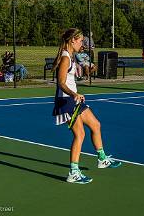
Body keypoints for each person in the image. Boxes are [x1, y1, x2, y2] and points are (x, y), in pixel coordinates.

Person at [52, 28, 121, 184]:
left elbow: (75, 75)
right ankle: (73, 173)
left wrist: (87, 68)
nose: (83, 43)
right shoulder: (65, 58)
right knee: (80, 134)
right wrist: (74, 94)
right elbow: (61, 83)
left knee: (96, 125)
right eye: (81, 40)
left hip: (74, 99)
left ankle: (102, 159)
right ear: (72, 40)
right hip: (66, 101)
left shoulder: (72, 56)